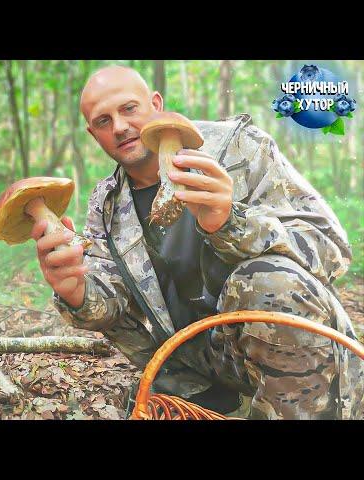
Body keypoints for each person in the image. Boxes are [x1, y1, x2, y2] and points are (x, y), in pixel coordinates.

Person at [30, 65, 363, 420]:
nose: (120, 127)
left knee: (266, 280)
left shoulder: (238, 148)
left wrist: (230, 223)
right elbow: (109, 306)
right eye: (103, 121)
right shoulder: (107, 206)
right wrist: (76, 291)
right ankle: (206, 400)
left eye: (129, 109)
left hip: (295, 353)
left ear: (156, 104)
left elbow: (332, 249)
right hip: (205, 365)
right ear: (92, 134)